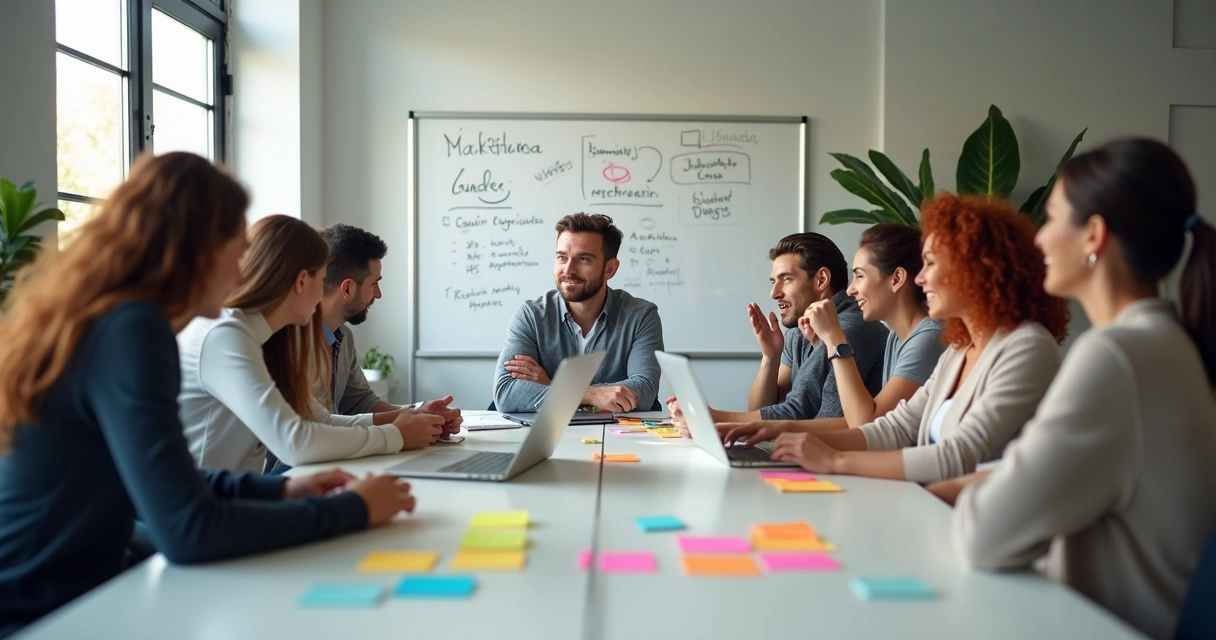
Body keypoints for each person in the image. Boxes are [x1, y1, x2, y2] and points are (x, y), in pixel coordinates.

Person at [0, 153, 415, 638]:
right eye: (235, 252)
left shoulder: (112, 321)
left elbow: (172, 475)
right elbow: (188, 530)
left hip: (81, 584)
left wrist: (281, 488)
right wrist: (353, 510)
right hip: (47, 611)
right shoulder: (133, 331)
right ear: (193, 249)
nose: (242, 275)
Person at [933, 139, 1216, 640]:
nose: (1038, 239)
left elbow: (984, 535)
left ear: (1094, 236)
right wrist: (987, 480)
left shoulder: (1114, 355)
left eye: (1053, 217)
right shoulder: (1165, 342)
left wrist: (975, 488)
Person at [767, 193, 1069, 484]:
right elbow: (895, 428)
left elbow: (957, 455)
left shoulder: (1027, 346)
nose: (921, 278)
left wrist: (835, 460)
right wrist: (781, 434)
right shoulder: (958, 351)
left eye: (932, 264)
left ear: (977, 270)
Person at [178, 215, 448, 475]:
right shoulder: (226, 335)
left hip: (238, 494)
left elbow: (320, 421)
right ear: (301, 282)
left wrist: (408, 421)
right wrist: (396, 435)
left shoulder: (268, 337)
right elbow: (294, 441)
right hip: (203, 508)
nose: (322, 295)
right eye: (321, 282)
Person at [718, 224, 944, 445]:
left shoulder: (913, 336)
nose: (852, 289)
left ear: (896, 280)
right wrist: (771, 357)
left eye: (860, 276)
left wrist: (836, 341)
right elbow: (865, 423)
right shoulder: (898, 338)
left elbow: (866, 424)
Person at [669, 232, 889, 428]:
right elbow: (761, 408)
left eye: (786, 279)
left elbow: (808, 416)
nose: (774, 293)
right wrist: (770, 357)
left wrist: (713, 418)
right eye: (774, 281)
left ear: (821, 279)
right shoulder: (800, 327)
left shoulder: (850, 329)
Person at [493, 213, 664, 413]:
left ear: (610, 269)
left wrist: (551, 385)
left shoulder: (641, 316)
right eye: (562, 257)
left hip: (616, 437)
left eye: (583, 259)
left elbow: (644, 390)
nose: (569, 270)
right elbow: (506, 393)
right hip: (548, 434)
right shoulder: (531, 316)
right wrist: (590, 395)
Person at [315, 223, 462, 424]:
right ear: (347, 289)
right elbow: (312, 428)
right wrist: (400, 429)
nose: (378, 294)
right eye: (374, 283)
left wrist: (418, 413)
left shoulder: (343, 337)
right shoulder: (290, 342)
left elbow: (360, 401)